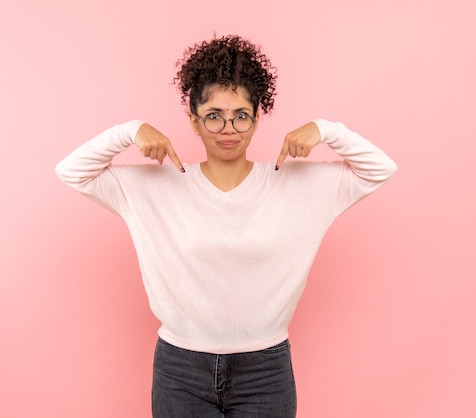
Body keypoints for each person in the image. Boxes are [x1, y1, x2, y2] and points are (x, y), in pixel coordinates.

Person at [55, 34, 397, 418]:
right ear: (194, 121)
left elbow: (380, 169)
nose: (228, 128)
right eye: (214, 116)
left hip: (266, 371)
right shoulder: (156, 186)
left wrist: (325, 130)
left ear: (256, 117)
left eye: (240, 115)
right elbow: (71, 172)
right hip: (179, 370)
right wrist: (131, 131)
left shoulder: (295, 183)